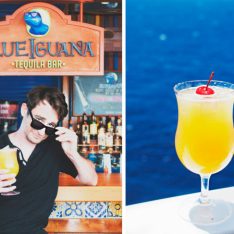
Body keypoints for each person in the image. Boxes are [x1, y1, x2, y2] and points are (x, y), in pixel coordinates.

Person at [0, 86, 97, 234]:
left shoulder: (55, 148)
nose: (41, 132)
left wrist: (73, 153)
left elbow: (91, 179)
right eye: (38, 121)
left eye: (50, 127)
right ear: (24, 110)